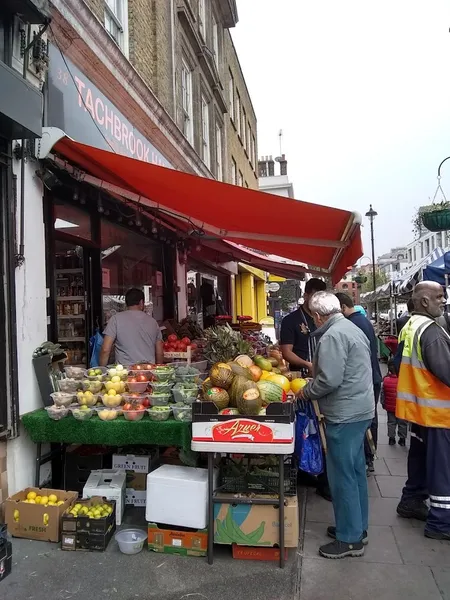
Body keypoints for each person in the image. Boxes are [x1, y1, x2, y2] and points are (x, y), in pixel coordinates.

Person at [299, 292, 374, 558]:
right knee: (355, 472)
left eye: (313, 317)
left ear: (318, 316)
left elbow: (329, 379)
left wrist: (306, 392)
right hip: (360, 409)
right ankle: (357, 528)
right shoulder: (351, 327)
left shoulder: (331, 336)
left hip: (345, 414)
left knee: (341, 476)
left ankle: (349, 539)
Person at [396, 281, 450, 540]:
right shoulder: (431, 331)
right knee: (442, 468)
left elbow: (399, 365)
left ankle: (411, 501)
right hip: (437, 411)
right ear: (425, 301)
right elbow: (446, 371)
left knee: (418, 459)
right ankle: (441, 523)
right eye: (439, 297)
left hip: (417, 408)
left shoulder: (409, 326)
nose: (444, 301)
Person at [335, 292, 382, 472]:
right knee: (371, 417)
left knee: (366, 419)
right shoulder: (363, 321)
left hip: (367, 377)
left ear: (342, 307)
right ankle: (369, 457)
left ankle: (367, 458)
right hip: (373, 375)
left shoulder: (352, 324)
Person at [99, 288, 164, 366]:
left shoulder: (116, 319)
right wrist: (159, 370)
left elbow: (105, 349)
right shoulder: (153, 322)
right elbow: (159, 353)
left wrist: (102, 369)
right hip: (148, 370)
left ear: (126, 303)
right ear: (141, 302)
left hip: (124, 372)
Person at [280, 278, 327, 375]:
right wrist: (307, 365)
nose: (318, 302)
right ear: (306, 296)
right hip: (300, 376)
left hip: (324, 374)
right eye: (314, 298)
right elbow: (286, 352)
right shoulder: (290, 320)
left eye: (321, 299)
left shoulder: (325, 318)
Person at [380, 360, 407, 446]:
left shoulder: (386, 380)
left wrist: (383, 403)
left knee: (391, 422)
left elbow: (383, 394)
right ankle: (402, 440)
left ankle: (391, 439)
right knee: (402, 423)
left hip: (390, 407)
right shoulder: (403, 380)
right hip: (402, 407)